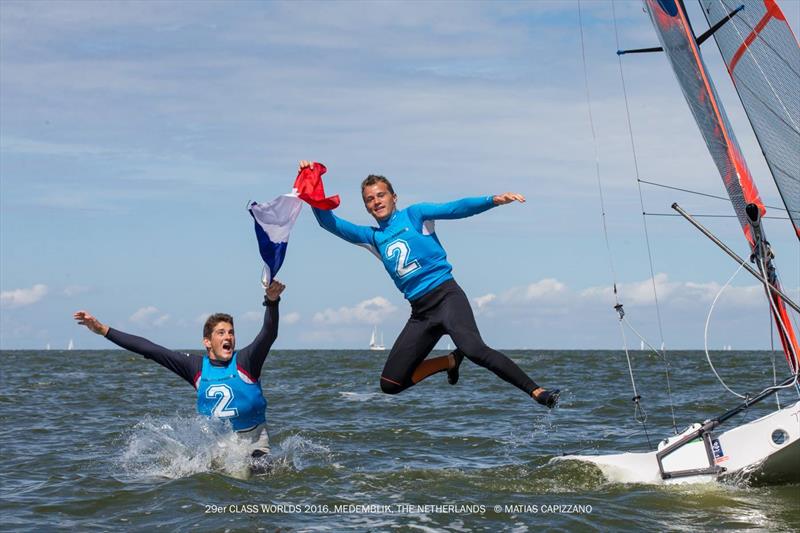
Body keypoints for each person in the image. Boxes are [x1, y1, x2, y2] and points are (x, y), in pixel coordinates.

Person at [303, 160, 559, 409]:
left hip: (447, 297)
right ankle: (448, 361)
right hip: (421, 313)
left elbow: (455, 208)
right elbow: (328, 222)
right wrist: (311, 181)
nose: (376, 201)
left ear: (394, 197)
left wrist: (492, 200)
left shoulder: (415, 216)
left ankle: (537, 392)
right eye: (370, 199)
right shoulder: (372, 237)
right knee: (390, 383)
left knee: (474, 349)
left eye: (381, 195)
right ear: (366, 207)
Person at [73, 280, 285, 459]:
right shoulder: (195, 368)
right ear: (207, 342)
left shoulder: (246, 361)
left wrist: (272, 301)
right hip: (218, 445)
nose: (228, 337)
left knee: (255, 472)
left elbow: (268, 334)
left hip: (253, 442)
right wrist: (103, 330)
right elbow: (150, 349)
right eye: (220, 333)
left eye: (230, 332)